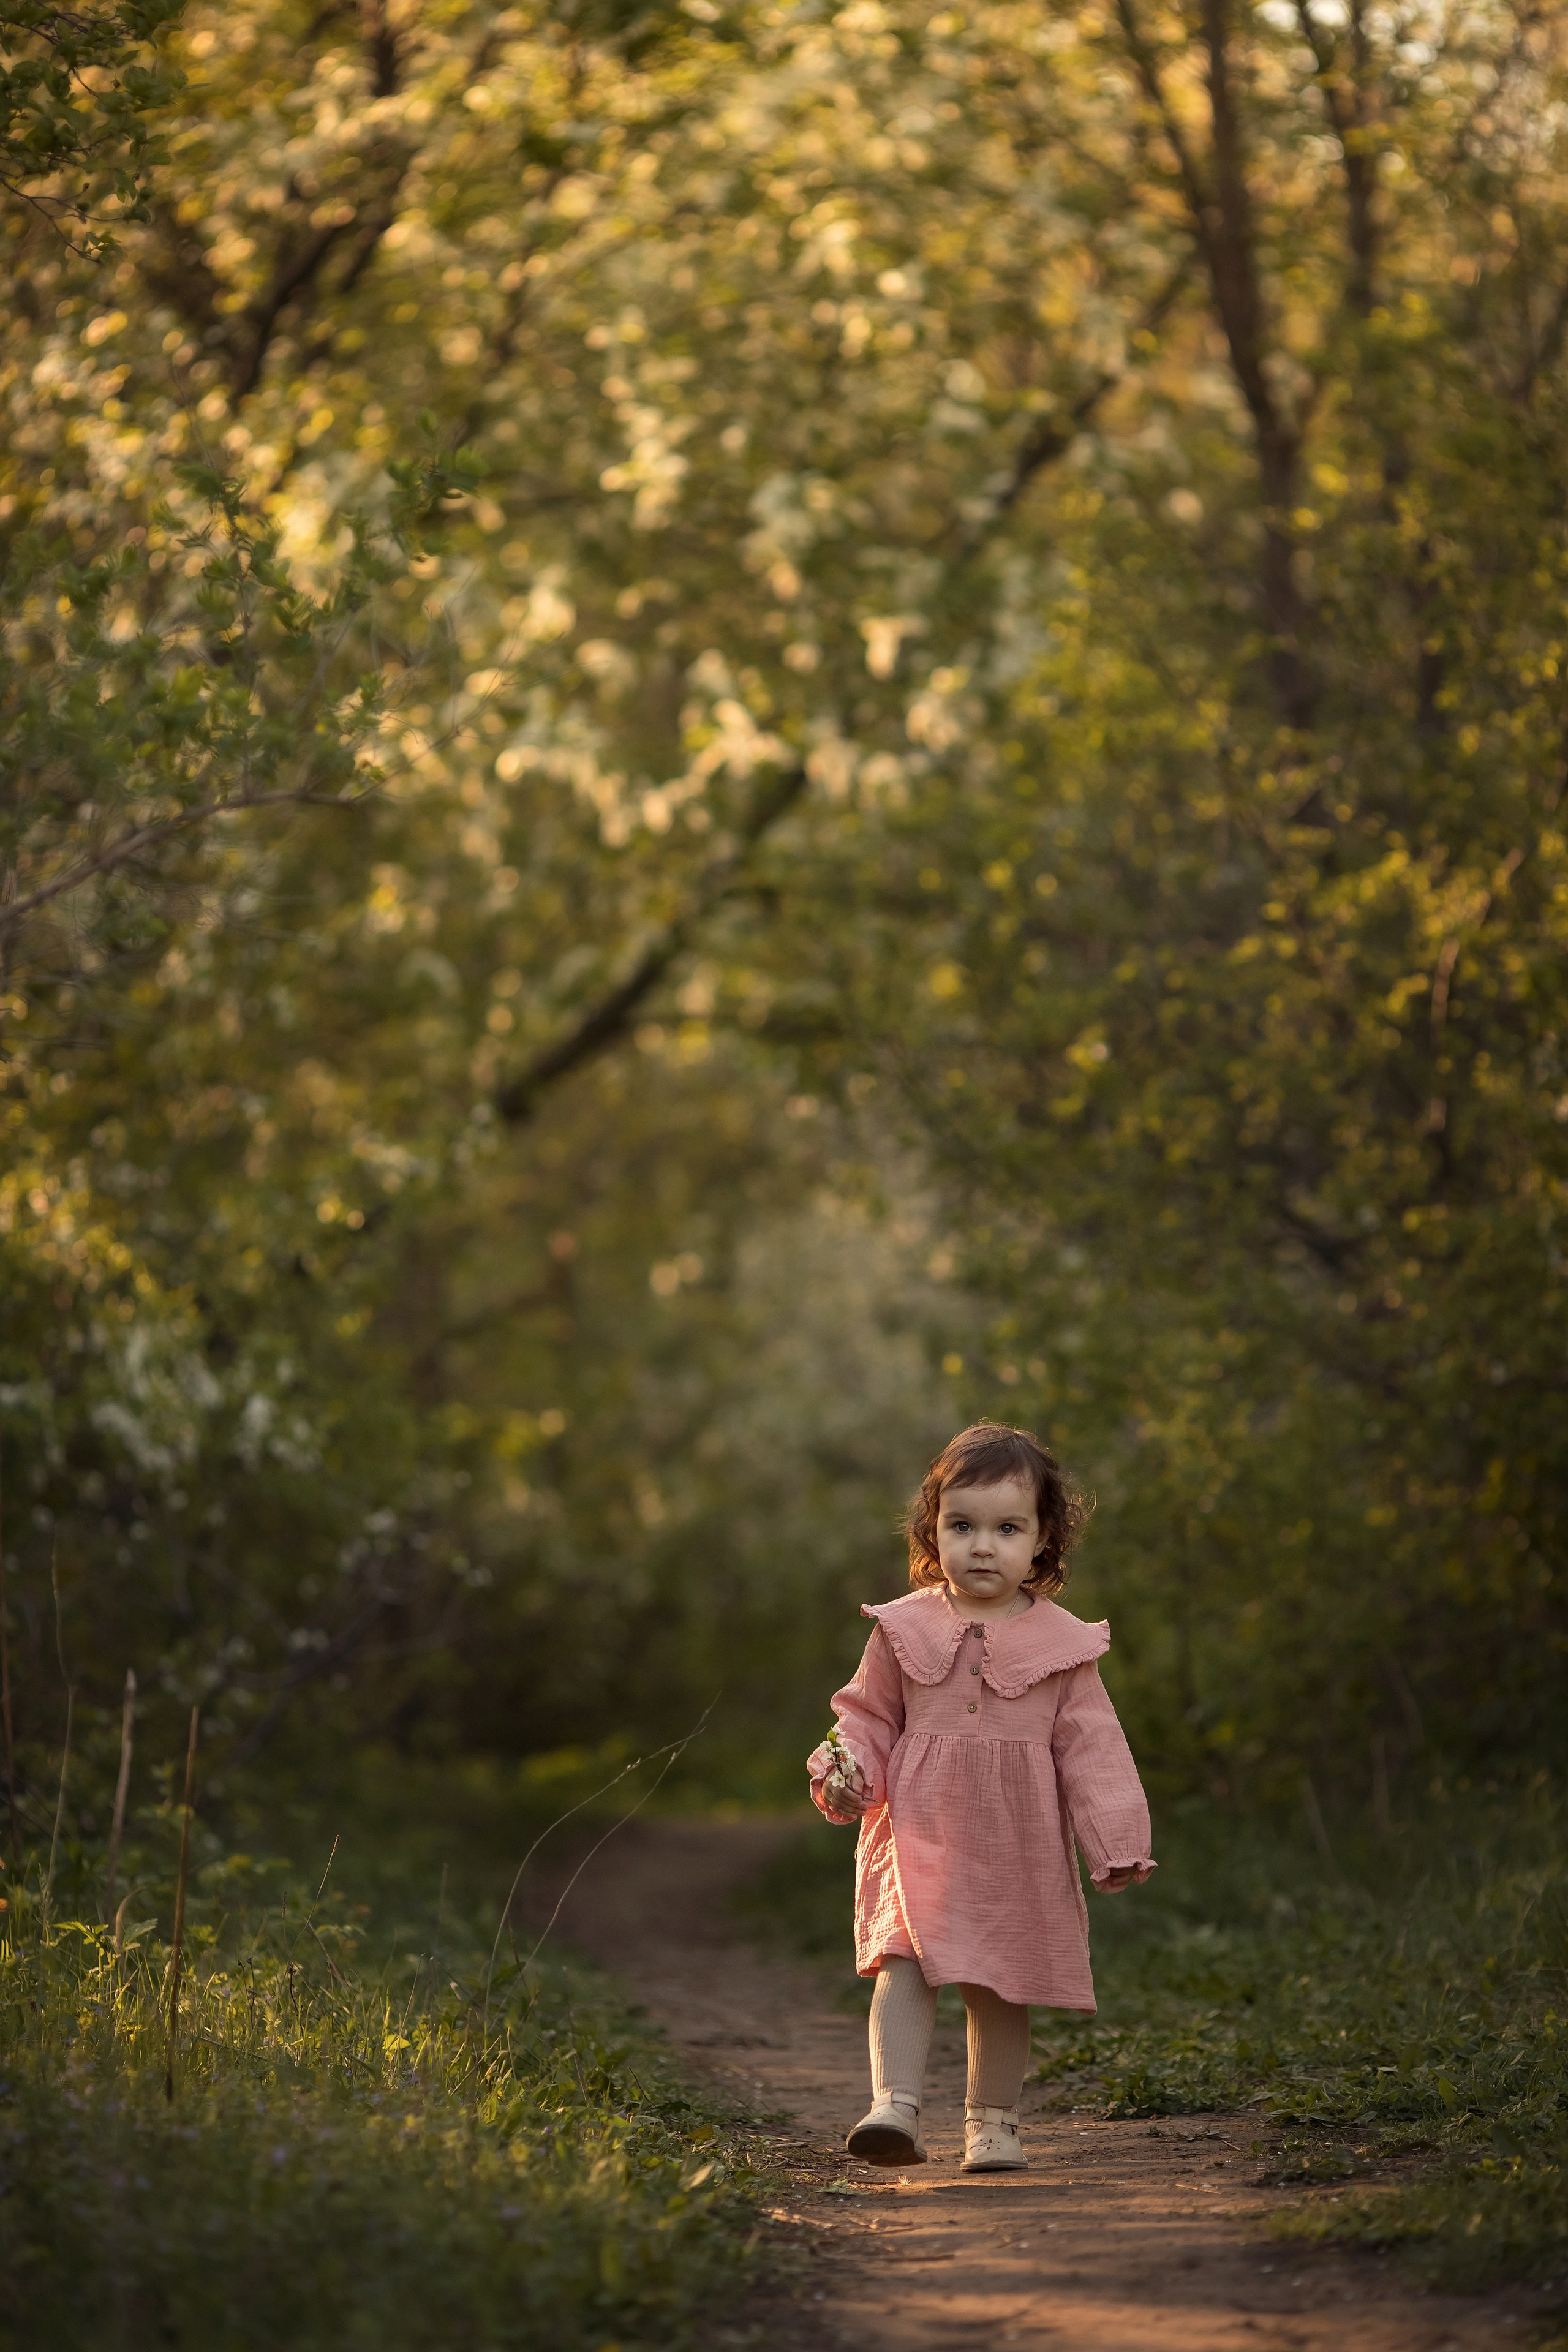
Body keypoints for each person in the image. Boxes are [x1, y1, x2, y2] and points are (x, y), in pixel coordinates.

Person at [807, 1420, 1155, 2174]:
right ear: (932, 1531)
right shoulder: (902, 1628)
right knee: (903, 1958)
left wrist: (1117, 1839)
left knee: (1000, 1978)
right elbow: (865, 1716)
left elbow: (1093, 1749)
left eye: (1007, 1528)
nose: (982, 1546)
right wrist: (846, 1767)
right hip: (919, 1833)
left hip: (1014, 1842)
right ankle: (893, 2107)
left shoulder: (1064, 1646)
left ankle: (993, 2125)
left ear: (1043, 1539)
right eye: (962, 1526)